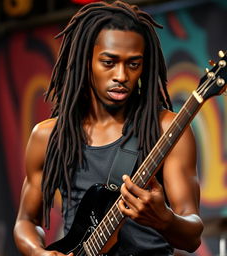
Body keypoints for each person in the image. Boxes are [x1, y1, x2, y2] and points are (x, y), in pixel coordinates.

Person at [13, 1, 204, 255]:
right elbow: (26, 220)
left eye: (133, 64)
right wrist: (40, 253)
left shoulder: (166, 129)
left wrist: (165, 219)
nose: (122, 76)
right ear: (86, 61)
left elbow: (192, 235)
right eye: (109, 62)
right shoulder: (48, 137)